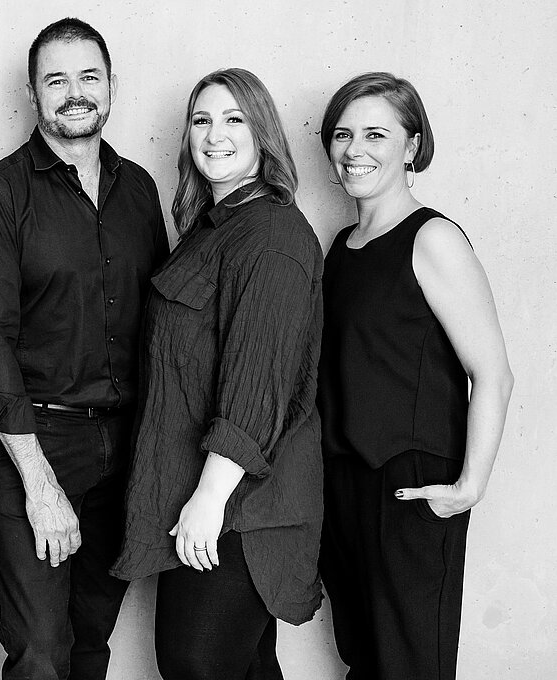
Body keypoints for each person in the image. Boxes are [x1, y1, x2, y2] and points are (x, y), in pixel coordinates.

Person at [0, 18, 168, 680]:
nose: (75, 93)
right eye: (56, 80)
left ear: (111, 86)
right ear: (32, 93)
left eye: (88, 77)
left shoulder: (139, 190)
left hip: (125, 445)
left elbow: (159, 327)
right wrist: (38, 481)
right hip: (34, 441)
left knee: (91, 640)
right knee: (40, 650)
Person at [110, 68, 325, 680]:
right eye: (201, 120)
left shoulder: (271, 236)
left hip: (239, 508)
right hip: (206, 496)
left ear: (264, 134)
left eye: (235, 119)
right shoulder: (216, 228)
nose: (214, 134)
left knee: (194, 663)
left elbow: (257, 386)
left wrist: (209, 498)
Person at [316, 72, 513, 680]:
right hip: (344, 482)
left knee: (411, 665)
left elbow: (493, 372)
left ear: (412, 146)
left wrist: (469, 487)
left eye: (376, 134)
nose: (355, 149)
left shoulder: (433, 238)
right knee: (365, 660)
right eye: (343, 134)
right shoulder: (341, 246)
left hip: (410, 484)